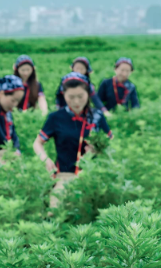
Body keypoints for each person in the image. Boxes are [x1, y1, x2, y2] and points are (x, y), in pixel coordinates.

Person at [33, 72, 113, 208]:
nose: (76, 102)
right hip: (65, 175)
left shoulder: (97, 116)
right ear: (63, 95)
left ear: (88, 94)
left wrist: (96, 150)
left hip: (92, 174)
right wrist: (45, 159)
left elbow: (109, 141)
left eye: (81, 96)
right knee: (57, 212)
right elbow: (38, 143)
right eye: (71, 97)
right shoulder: (56, 117)